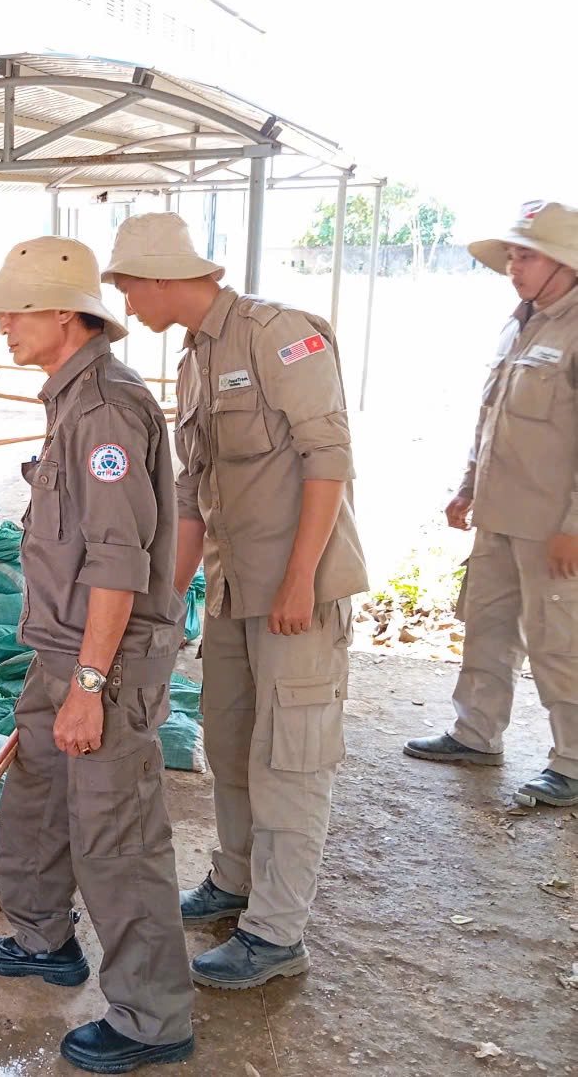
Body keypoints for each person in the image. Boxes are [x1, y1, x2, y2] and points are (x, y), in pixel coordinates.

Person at [105, 212, 368, 990]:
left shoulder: (279, 333)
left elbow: (329, 459)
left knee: (290, 756)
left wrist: (299, 580)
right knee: (228, 742)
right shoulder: (194, 358)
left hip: (296, 592)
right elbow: (192, 494)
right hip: (231, 587)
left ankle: (275, 933)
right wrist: (167, 591)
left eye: (126, 285)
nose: (125, 302)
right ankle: (234, 878)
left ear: (158, 276)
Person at [0, 236, 195, 1073]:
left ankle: (151, 1020)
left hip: (105, 662)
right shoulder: (69, 399)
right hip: (61, 653)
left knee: (115, 839)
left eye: (14, 309)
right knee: (37, 802)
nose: (2, 327)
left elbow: (117, 562)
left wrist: (90, 686)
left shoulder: (103, 410)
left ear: (65, 312)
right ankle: (43, 939)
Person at [404, 201, 578, 808]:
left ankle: (573, 762)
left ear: (563, 262)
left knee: (560, 639)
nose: (513, 267)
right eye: (510, 255)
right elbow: (491, 418)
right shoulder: (519, 323)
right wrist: (467, 487)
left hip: (553, 527)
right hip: (500, 514)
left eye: (525, 255)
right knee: (487, 629)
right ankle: (475, 733)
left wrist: (574, 526)